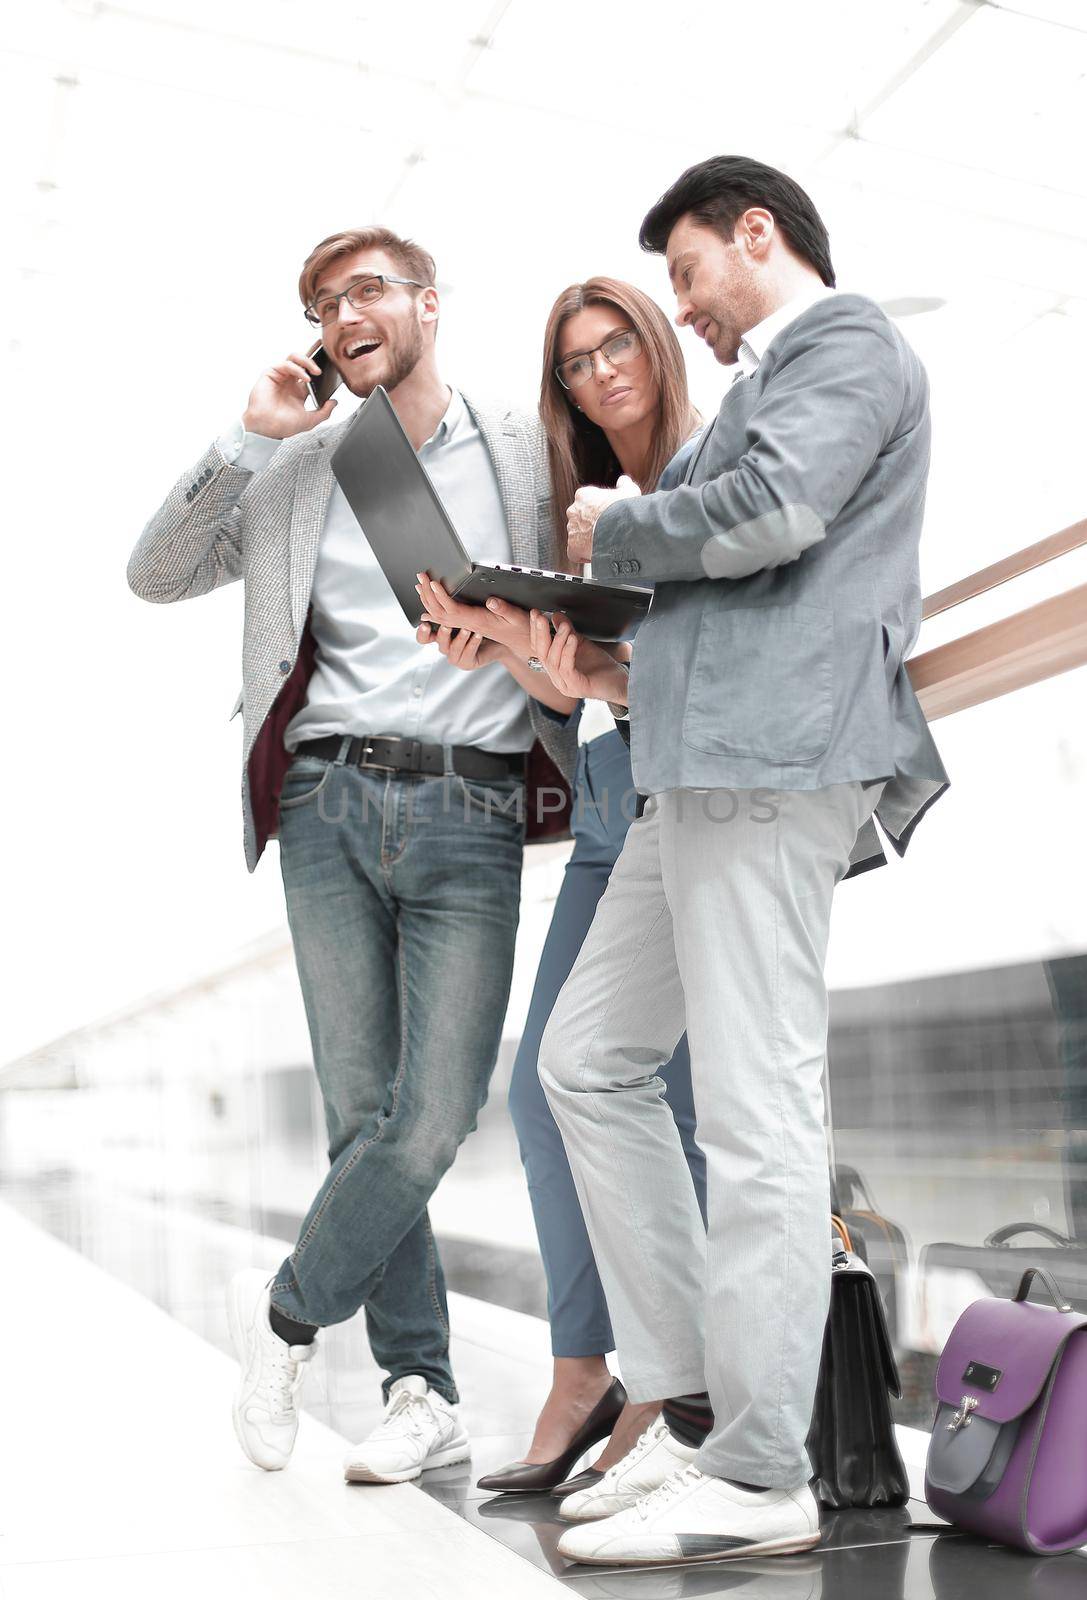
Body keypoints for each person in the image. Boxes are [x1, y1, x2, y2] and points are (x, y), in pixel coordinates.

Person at [529, 156, 950, 1567]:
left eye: (688, 275)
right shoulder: (773, 382)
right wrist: (570, 643)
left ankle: (763, 1470)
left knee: (757, 1115)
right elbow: (716, 595)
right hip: (692, 768)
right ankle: (689, 1401)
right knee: (584, 1058)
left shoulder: (842, 343)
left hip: (774, 768)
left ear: (751, 232)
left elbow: (771, 517)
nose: (683, 313)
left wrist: (614, 527)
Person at [127, 226, 578, 1484]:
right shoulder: (300, 467)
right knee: (357, 1114)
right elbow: (154, 574)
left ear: (430, 302)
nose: (344, 312)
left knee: (431, 1114)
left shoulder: (523, 447)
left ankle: (282, 1314)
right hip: (327, 802)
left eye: (368, 289)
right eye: (325, 302)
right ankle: (418, 1387)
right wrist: (249, 433)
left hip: (474, 808)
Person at [415, 279, 709, 1497]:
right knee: (546, 1092)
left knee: (656, 1100)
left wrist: (591, 669)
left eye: (616, 345)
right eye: (576, 362)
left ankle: (674, 1387)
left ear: (656, 346)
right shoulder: (575, 512)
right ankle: (585, 1362)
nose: (598, 374)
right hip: (601, 801)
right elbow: (574, 693)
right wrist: (519, 657)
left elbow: (707, 660)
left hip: (684, 795)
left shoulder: (706, 471)